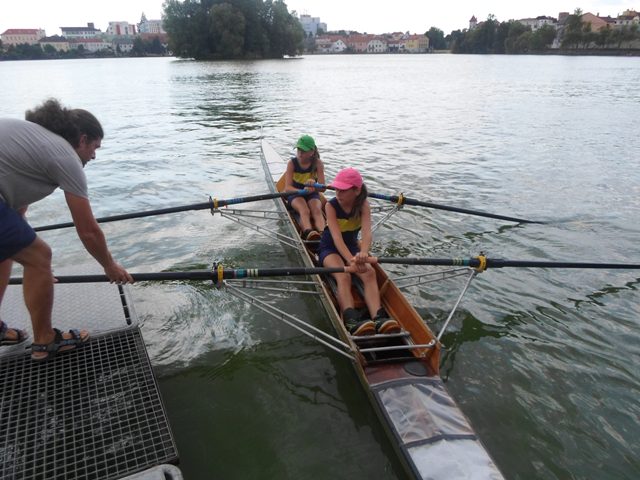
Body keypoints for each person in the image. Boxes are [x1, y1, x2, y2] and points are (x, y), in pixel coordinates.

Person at [0, 98, 133, 361]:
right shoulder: (65, 155)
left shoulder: (35, 141)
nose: (94, 156)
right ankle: (45, 341)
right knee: (40, 255)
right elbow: (88, 231)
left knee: (9, 252)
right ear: (82, 140)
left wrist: (37, 272)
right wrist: (109, 266)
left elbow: (16, 216)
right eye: (94, 147)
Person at [318, 167, 400, 336]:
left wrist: (363, 252)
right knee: (344, 275)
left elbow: (367, 234)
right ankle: (350, 319)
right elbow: (337, 239)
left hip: (352, 246)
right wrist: (351, 260)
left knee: (369, 273)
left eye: (343, 190)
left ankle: (378, 317)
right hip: (329, 248)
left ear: (356, 191)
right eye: (337, 189)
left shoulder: (363, 205)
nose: (338, 193)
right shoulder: (331, 206)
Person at [284, 135, 325, 241]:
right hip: (295, 193)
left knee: (317, 210)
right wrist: (302, 191)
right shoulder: (292, 163)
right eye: (298, 149)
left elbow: (322, 188)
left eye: (303, 151)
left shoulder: (318, 163)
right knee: (304, 209)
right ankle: (309, 233)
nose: (300, 153)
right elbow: (287, 188)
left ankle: (323, 234)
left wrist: (314, 185)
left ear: (312, 152)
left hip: (312, 193)